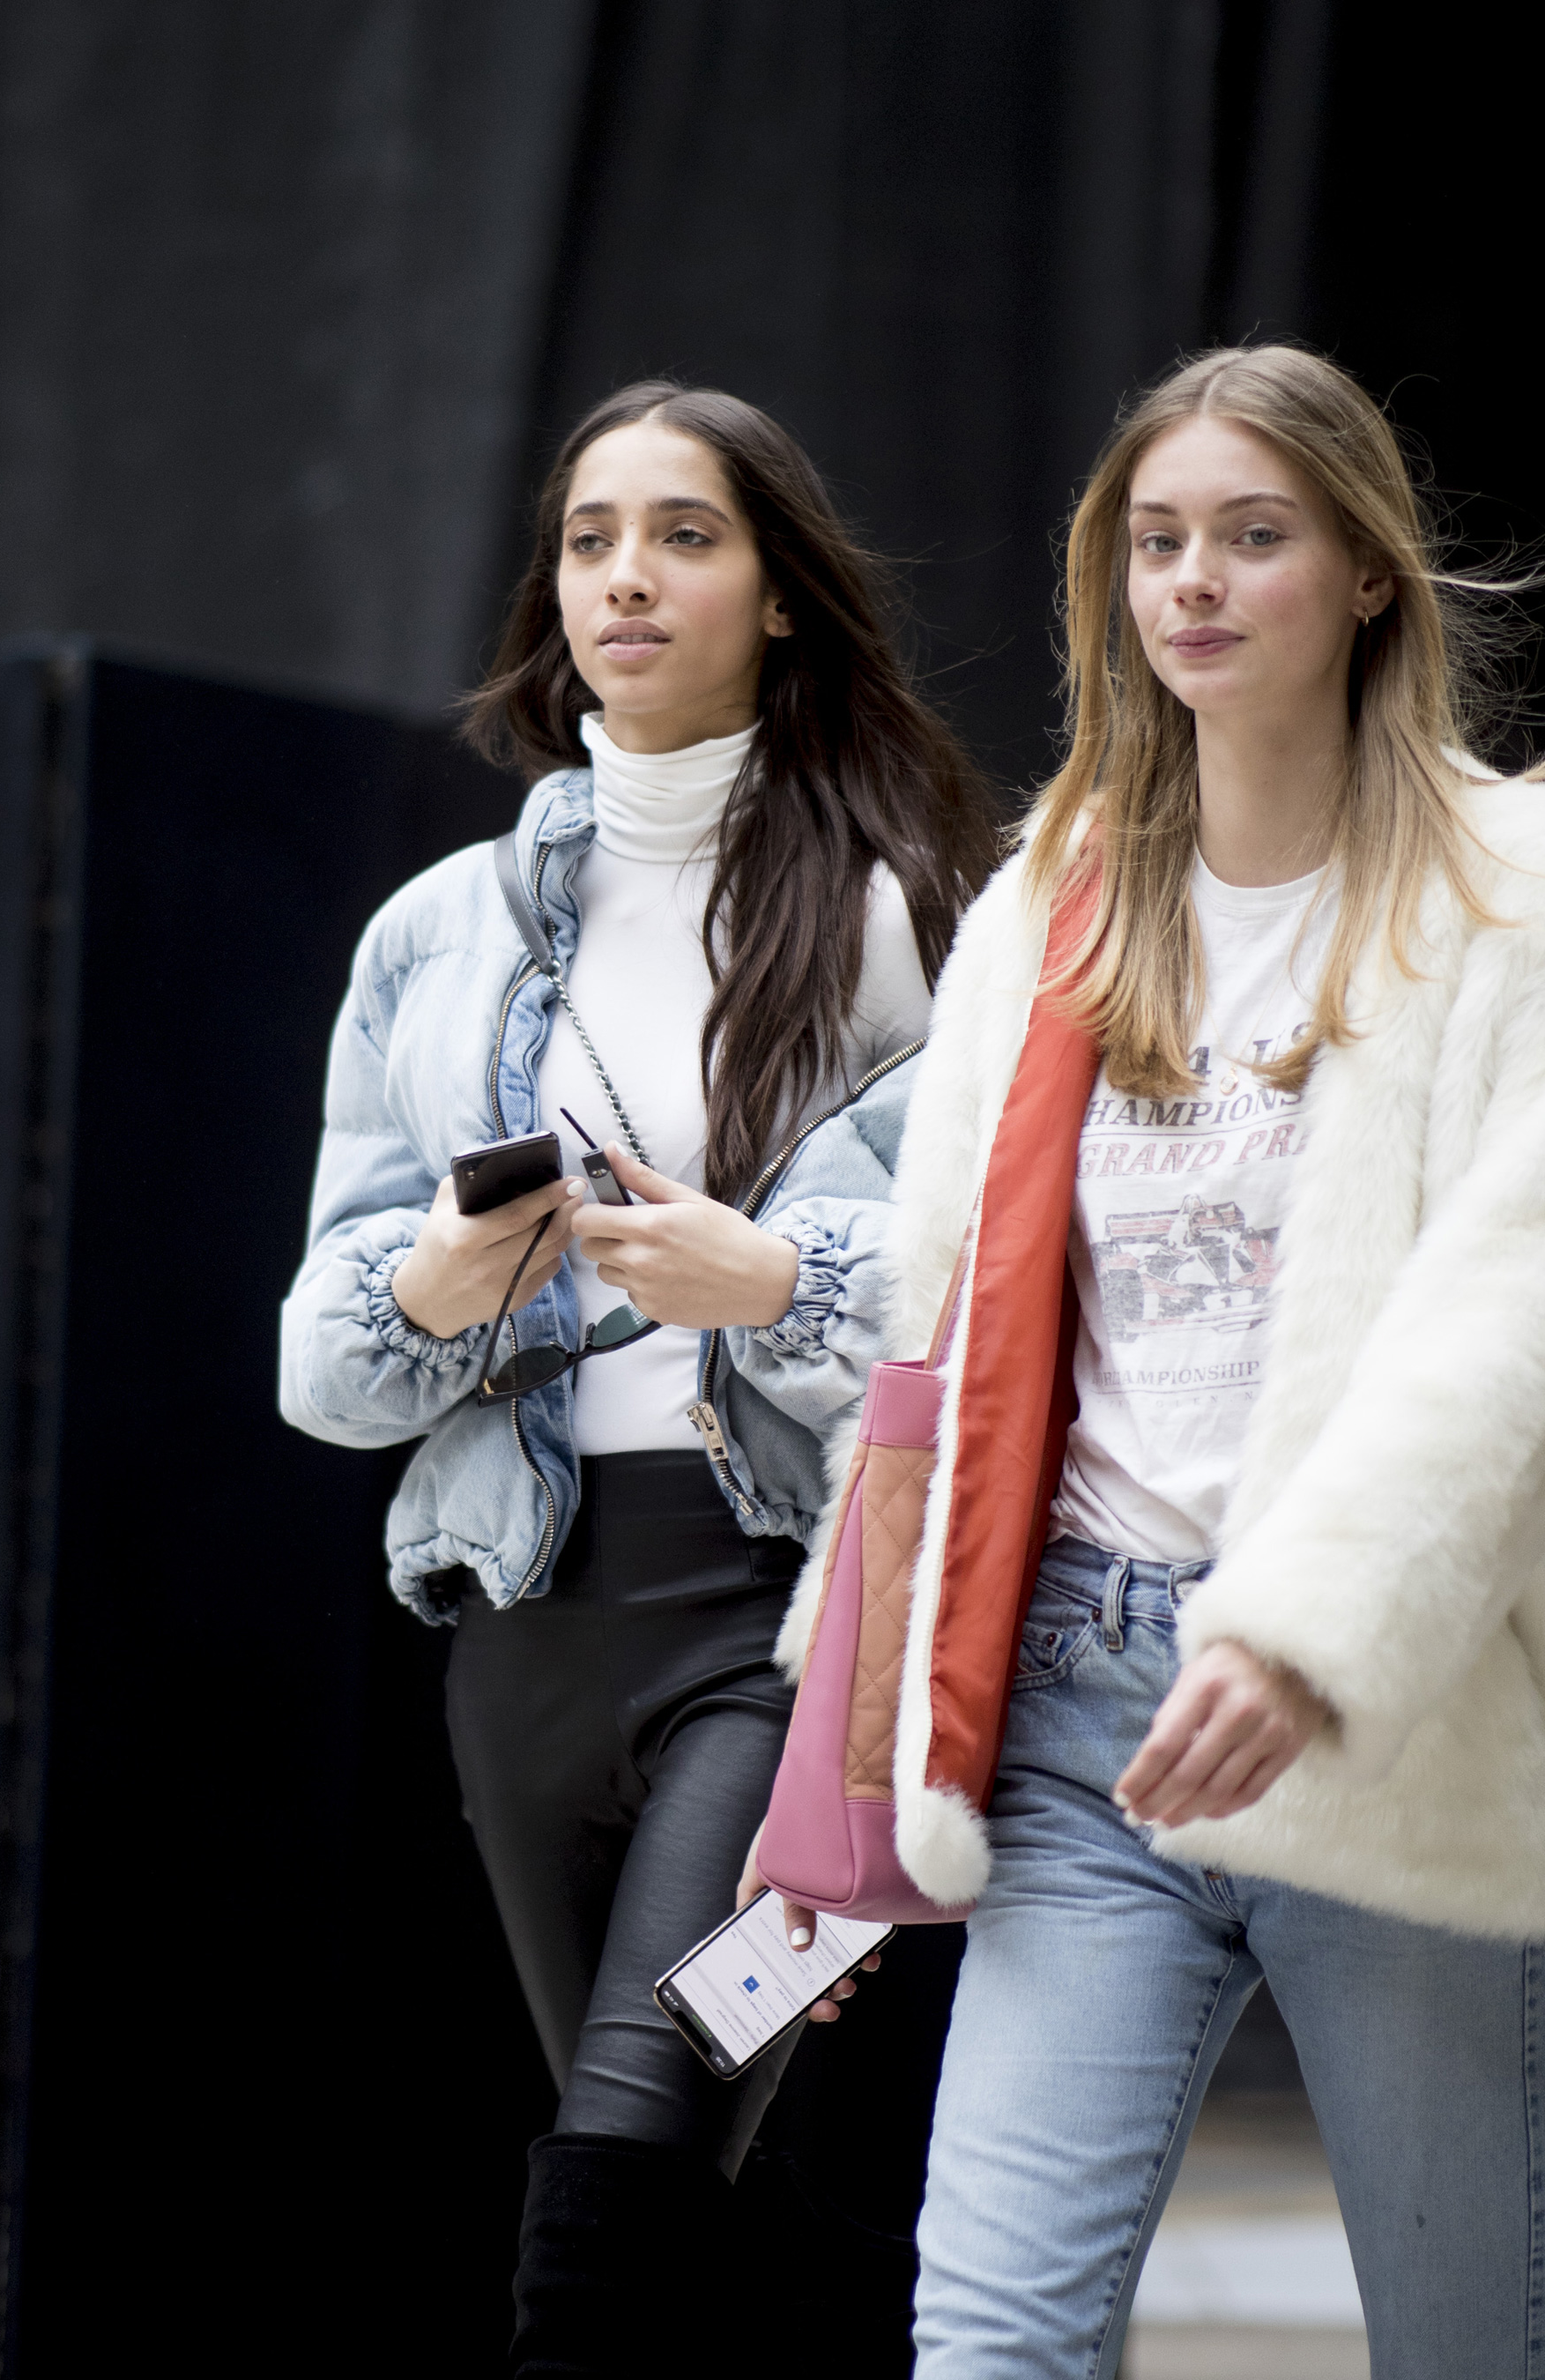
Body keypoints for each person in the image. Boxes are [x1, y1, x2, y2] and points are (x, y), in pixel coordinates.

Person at [773, 345, 1545, 2376]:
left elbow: (1509, 1318)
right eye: (1158, 539)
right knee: (988, 2343)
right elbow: (944, 1349)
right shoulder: (1056, 897)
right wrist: (861, 1757)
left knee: (1471, 2342)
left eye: (1255, 536)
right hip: (1071, 1730)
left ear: (1369, 573)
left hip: (1386, 1719)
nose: (1194, 581)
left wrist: (1303, 1629)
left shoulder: (1514, 891)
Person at [279, 379, 999, 2372]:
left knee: (623, 2153)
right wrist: (433, 1279)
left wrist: (769, 1271)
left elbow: (980, 1304)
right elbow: (321, 1374)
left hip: (783, 1626)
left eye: (687, 534)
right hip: (527, 1630)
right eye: (593, 537)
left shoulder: (897, 916)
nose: (627, 576)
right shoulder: (436, 936)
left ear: (780, 593)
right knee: (724, 2184)